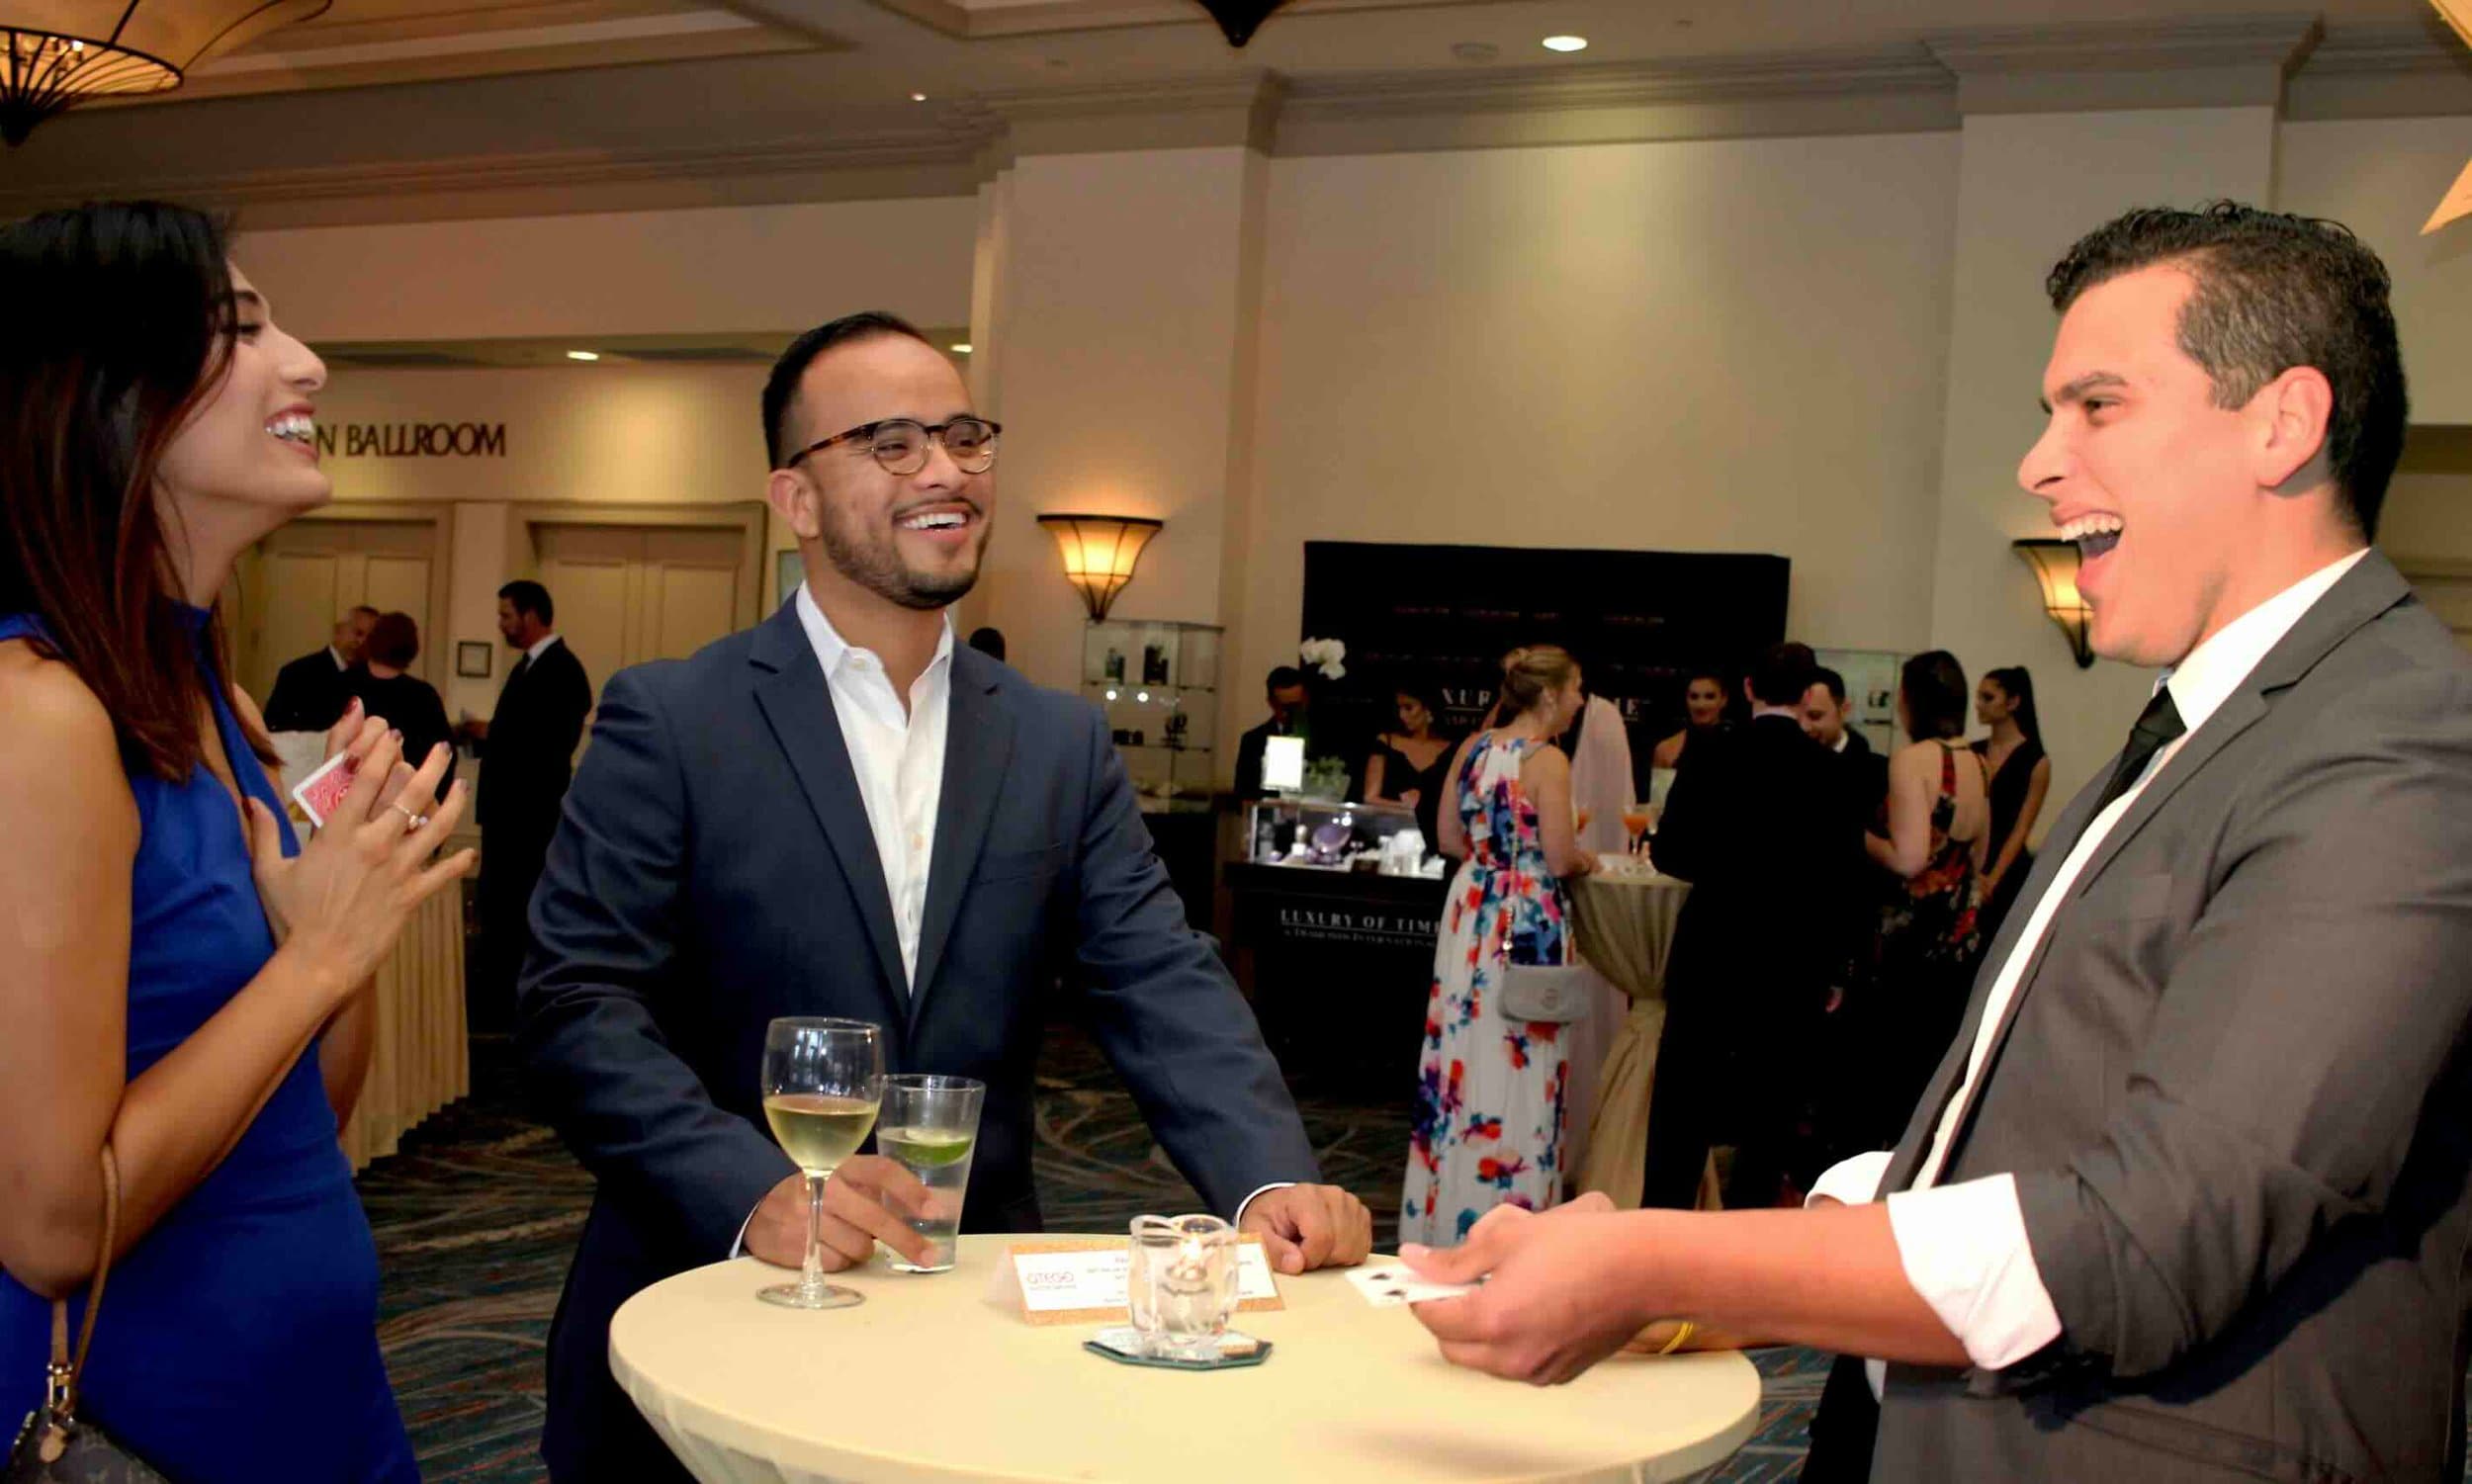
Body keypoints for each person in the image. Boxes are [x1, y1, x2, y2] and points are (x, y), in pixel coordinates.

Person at [1399, 204, 2464, 1484]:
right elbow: (2040, 1126)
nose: (2038, 462)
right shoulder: (2230, 714)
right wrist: (1706, 1271)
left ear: (2282, 423)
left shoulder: (2398, 741)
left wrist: (1658, 1260)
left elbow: (2151, 1235)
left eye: (2097, 406)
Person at [518, 311, 1371, 1483]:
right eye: (891, 441)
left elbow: (1160, 977)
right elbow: (575, 1001)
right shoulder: (674, 718)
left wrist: (1268, 1177)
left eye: (964, 436)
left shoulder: (1055, 740)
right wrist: (749, 1186)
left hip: (976, 1324)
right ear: (796, 497)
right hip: (715, 1297)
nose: (945, 469)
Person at [0, 202, 473, 1483]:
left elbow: (304, 1116)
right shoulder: (39, 716)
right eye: (239, 329)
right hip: (153, 1428)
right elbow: (51, 1226)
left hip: (316, 1401)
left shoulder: (220, 711)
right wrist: (312, 960)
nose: (308, 363)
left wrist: (348, 918)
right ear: (110, 401)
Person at [1638, 642, 1863, 1212]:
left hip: (1711, 947)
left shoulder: (1712, 752)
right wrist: (1838, 968)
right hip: (1793, 960)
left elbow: (1670, 854)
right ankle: (1745, 1257)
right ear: (1809, 693)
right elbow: (1844, 879)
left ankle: (1658, 1243)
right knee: (1771, 1113)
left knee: (1682, 1110)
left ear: (1746, 688)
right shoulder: (1830, 771)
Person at [1402, 645, 1594, 1246]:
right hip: (1526, 916)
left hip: (1470, 912)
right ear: (1549, 696)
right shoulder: (1547, 761)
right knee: (1525, 1056)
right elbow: (1561, 856)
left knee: (1461, 1049)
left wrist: (1492, 860)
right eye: (1576, 690)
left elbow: (1447, 837)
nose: (1581, 701)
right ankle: (1511, 1224)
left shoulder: (1473, 747)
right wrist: (1586, 857)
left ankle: (1444, 1217)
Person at [1850, 650, 1989, 1151]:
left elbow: (1908, 859)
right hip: (1960, 940)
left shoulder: (1913, 761)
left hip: (1908, 943)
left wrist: (1855, 835)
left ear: (1910, 700)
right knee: (1930, 1074)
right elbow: (1979, 854)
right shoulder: (1977, 761)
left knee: (1885, 1081)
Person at [460, 578, 589, 1029]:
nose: (502, 625)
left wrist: (495, 736)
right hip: (508, 816)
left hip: (528, 820)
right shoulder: (528, 667)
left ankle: (508, 1011)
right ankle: (493, 1006)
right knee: (500, 911)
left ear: (531, 615)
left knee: (516, 913)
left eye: (506, 616)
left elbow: (545, 745)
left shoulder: (562, 670)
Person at [1968, 666, 2050, 948]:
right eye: (1978, 696)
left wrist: (1992, 878)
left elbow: (2022, 827)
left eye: (1987, 697)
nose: (1978, 704)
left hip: (2008, 869)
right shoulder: (1972, 751)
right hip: (1970, 862)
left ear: (2013, 702)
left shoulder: (2035, 760)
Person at [348, 611, 456, 797]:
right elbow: (443, 757)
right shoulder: (423, 696)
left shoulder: (342, 686)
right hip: (402, 802)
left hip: (344, 797)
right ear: (412, 648)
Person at [1364, 681, 1453, 847]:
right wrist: (1406, 807)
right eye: (1399, 708)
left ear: (1428, 709)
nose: (1402, 715)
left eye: (1408, 707)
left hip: (1435, 839)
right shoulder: (1386, 742)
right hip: (1388, 835)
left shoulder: (1450, 749)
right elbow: (1370, 798)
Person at [263, 604, 376, 733]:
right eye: (358, 633)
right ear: (338, 630)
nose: (362, 641)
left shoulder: (371, 680)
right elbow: (273, 727)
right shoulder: (297, 672)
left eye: (370, 638)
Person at [1232, 664, 1311, 798]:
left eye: (1296, 706)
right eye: (1285, 708)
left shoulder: (1325, 737)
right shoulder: (1253, 741)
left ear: (1306, 700)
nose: (1291, 713)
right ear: (1271, 703)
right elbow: (1243, 794)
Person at [1648, 666, 1727, 770]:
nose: (1701, 705)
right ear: (1686, 699)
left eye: (1709, 696)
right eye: (1694, 697)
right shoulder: (1666, 750)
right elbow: (1660, 787)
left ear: (1723, 699)